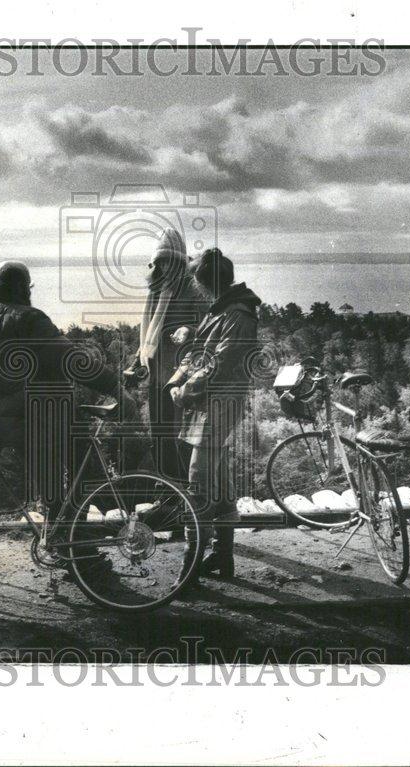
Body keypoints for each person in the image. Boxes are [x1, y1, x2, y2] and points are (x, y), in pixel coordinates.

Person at [0, 261, 131, 517]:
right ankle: (73, 540)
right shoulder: (29, 319)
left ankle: (60, 530)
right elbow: (72, 360)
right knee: (81, 453)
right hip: (29, 421)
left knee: (46, 464)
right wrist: (116, 388)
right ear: (22, 289)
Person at [167, 248, 261, 589]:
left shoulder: (238, 313)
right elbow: (201, 353)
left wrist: (184, 391)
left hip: (218, 404)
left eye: (195, 279)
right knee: (219, 484)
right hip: (210, 404)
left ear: (204, 281)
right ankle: (223, 557)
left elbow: (216, 364)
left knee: (198, 486)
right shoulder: (225, 309)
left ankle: (189, 572)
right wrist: (177, 378)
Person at [125, 227, 207, 483]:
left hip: (181, 376)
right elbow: (149, 335)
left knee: (177, 438)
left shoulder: (193, 288)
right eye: (160, 262)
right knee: (159, 438)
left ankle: (183, 497)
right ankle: (167, 494)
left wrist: (189, 330)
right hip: (157, 376)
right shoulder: (157, 289)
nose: (164, 267)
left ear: (179, 261)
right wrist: (135, 364)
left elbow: (210, 325)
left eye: (169, 261)